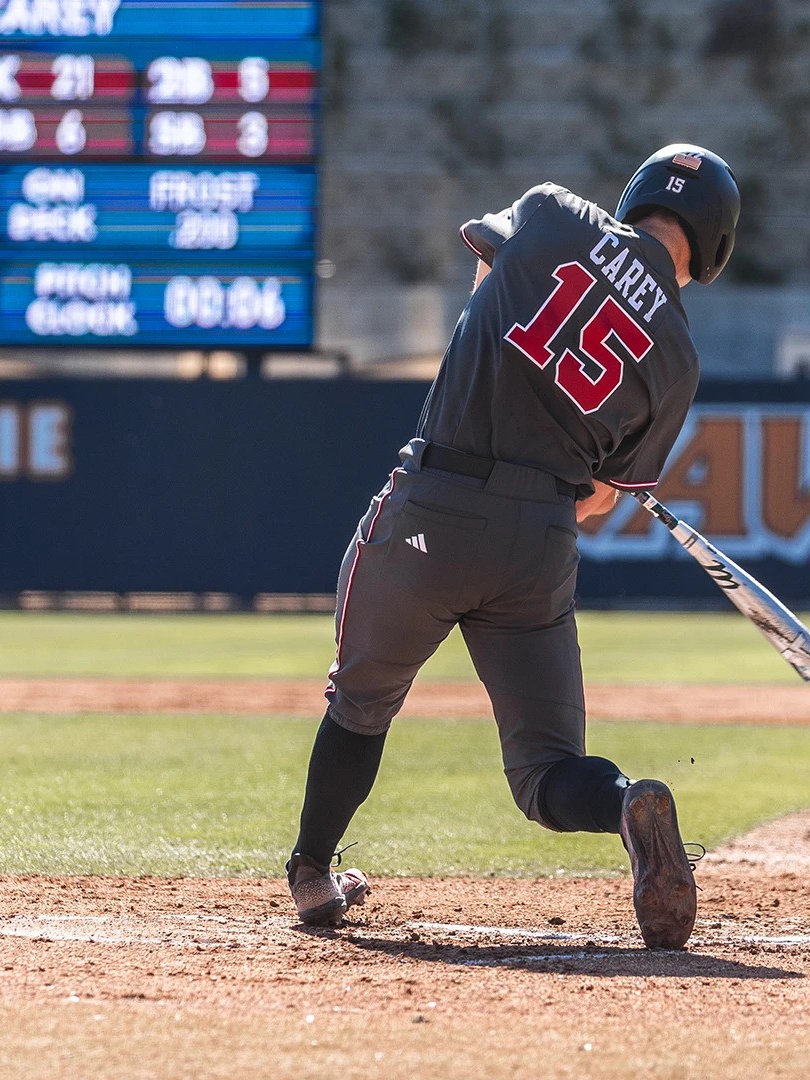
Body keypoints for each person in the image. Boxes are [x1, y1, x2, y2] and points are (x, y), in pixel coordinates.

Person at [284, 145, 740, 949]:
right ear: (713, 250)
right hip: (536, 541)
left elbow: (485, 285)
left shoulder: (554, 211)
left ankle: (314, 873)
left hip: (432, 499)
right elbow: (599, 498)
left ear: (634, 199)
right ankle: (627, 803)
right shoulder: (677, 358)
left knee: (361, 705)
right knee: (546, 770)